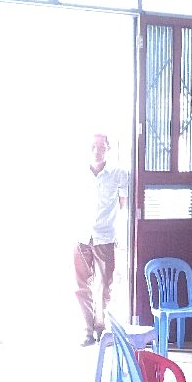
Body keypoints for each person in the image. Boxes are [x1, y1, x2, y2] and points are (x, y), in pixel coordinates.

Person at [74, 132, 127, 346]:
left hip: (105, 236)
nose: (97, 150)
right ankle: (87, 331)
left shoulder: (118, 174)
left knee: (105, 286)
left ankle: (101, 327)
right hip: (81, 236)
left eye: (102, 146)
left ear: (108, 149)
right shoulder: (78, 173)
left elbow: (122, 204)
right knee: (82, 286)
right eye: (94, 146)